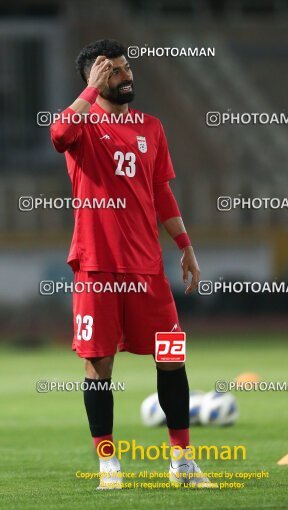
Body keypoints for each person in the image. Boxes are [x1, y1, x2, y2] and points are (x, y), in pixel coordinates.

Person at [50, 39, 214, 490]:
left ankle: (182, 462)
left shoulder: (152, 127)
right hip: (97, 266)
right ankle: (108, 465)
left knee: (172, 358)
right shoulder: (82, 124)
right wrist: (88, 93)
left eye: (127, 68)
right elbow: (59, 135)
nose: (127, 76)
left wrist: (184, 244)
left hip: (147, 267)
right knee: (98, 365)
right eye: (115, 71)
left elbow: (160, 191)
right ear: (95, 79)